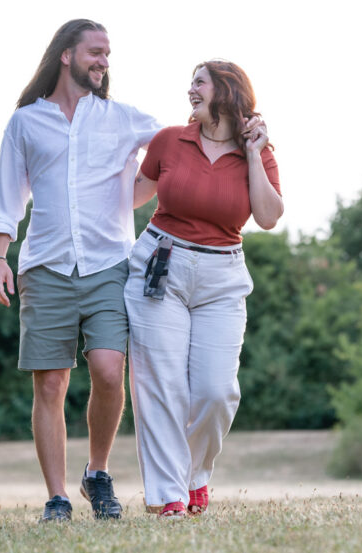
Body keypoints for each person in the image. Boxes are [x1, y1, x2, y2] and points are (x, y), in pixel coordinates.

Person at [0, 19, 161, 522]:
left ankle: (98, 473)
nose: (104, 61)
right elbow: (7, 195)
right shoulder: (26, 122)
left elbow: (180, 146)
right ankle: (57, 497)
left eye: (108, 54)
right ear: (66, 55)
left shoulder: (123, 119)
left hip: (109, 264)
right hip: (45, 267)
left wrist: (136, 196)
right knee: (50, 384)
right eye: (96, 51)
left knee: (109, 370)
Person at [124, 59, 283, 518]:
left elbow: (269, 217)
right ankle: (168, 496)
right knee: (162, 385)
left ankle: (195, 476)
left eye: (199, 82)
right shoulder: (170, 140)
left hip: (222, 276)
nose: (190, 89)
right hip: (161, 266)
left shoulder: (259, 152)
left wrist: (253, 153)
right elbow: (131, 195)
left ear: (227, 91)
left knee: (217, 391)